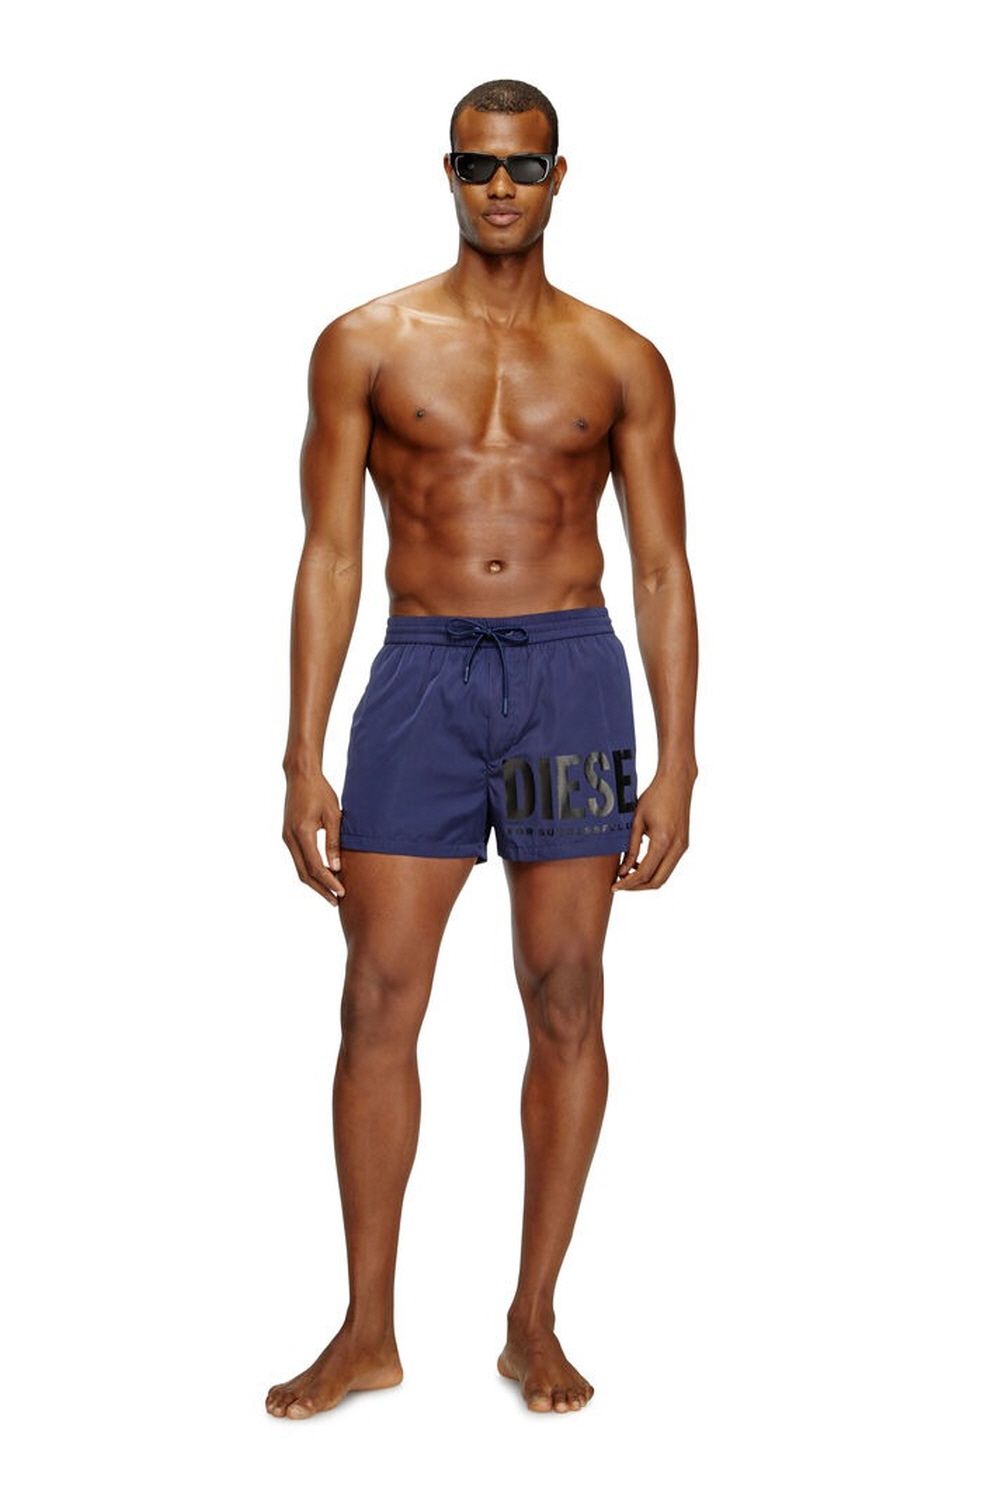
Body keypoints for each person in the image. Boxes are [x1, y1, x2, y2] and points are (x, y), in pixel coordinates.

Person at [268, 78, 698, 1420]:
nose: (499, 187)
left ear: (559, 176)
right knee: (377, 999)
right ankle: (366, 1330)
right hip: (423, 682)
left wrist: (680, 759)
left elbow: (663, 568)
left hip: (572, 683)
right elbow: (330, 554)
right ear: (448, 174)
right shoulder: (366, 342)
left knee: (567, 995)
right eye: (476, 165)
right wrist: (300, 753)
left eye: (521, 166)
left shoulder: (619, 359)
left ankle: (532, 1319)